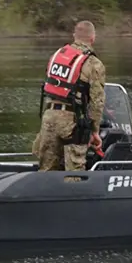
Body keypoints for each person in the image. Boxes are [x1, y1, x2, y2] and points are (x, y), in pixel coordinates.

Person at [33, 21, 107, 171]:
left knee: (46, 168)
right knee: (75, 170)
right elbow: (97, 102)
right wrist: (94, 131)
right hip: (72, 121)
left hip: (49, 116)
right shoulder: (93, 63)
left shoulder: (57, 55)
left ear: (74, 36)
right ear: (93, 38)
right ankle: (75, 191)